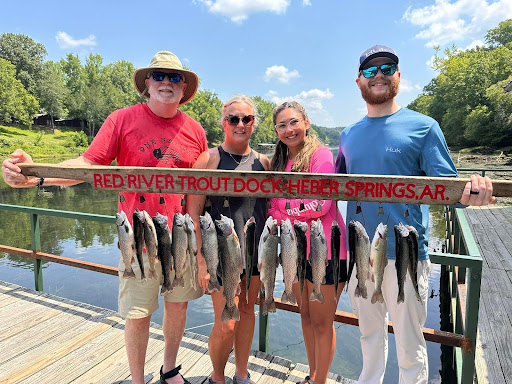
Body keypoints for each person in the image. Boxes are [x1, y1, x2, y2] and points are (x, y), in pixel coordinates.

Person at [1, 51, 208, 384]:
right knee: (138, 314)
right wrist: (35, 173)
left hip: (181, 236)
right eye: (158, 76)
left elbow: (201, 189)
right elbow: (88, 166)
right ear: (147, 85)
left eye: (175, 78)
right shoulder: (122, 120)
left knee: (178, 306)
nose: (166, 82)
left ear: (184, 88)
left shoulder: (196, 131)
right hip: (137, 236)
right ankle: (138, 380)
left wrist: (201, 244)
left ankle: (169, 370)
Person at [335, 45, 495, 384]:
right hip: (360, 254)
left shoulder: (425, 127)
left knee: (409, 343)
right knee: (369, 336)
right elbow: (333, 187)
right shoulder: (347, 135)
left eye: (386, 67)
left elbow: (450, 189)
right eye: (369, 70)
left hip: (405, 254)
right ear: (358, 81)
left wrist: (473, 192)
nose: (378, 75)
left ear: (398, 75)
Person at [187, 96, 270, 384]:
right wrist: (201, 260)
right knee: (227, 321)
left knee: (247, 311)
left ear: (254, 123)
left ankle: (242, 374)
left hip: (255, 252)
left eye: (246, 119)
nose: (240, 124)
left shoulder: (264, 162)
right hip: (220, 253)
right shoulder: (209, 159)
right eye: (233, 118)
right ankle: (217, 377)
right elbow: (193, 212)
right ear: (223, 122)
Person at [267, 101, 348, 384]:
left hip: (326, 249)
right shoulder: (278, 162)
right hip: (295, 251)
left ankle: (320, 381)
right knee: (305, 317)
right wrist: (286, 212)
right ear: (276, 130)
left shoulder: (321, 155)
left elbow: (323, 203)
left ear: (306, 123)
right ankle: (313, 376)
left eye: (294, 122)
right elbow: (271, 207)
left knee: (322, 321)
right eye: (282, 125)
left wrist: (285, 213)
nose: (289, 130)